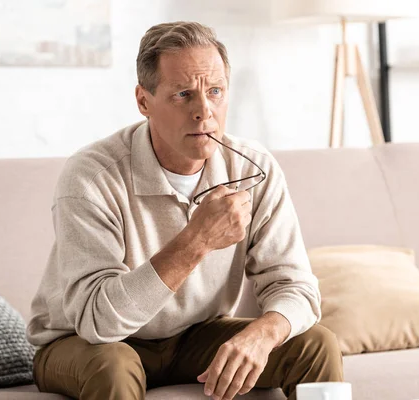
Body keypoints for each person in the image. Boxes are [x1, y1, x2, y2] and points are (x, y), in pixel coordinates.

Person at [26, 21, 343, 400]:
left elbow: (297, 288)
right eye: (183, 95)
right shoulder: (92, 176)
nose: (204, 112)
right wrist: (197, 240)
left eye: (215, 91)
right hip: (84, 342)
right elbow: (99, 321)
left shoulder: (253, 169)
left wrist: (263, 333)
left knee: (315, 344)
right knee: (112, 366)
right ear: (144, 101)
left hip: (193, 337)